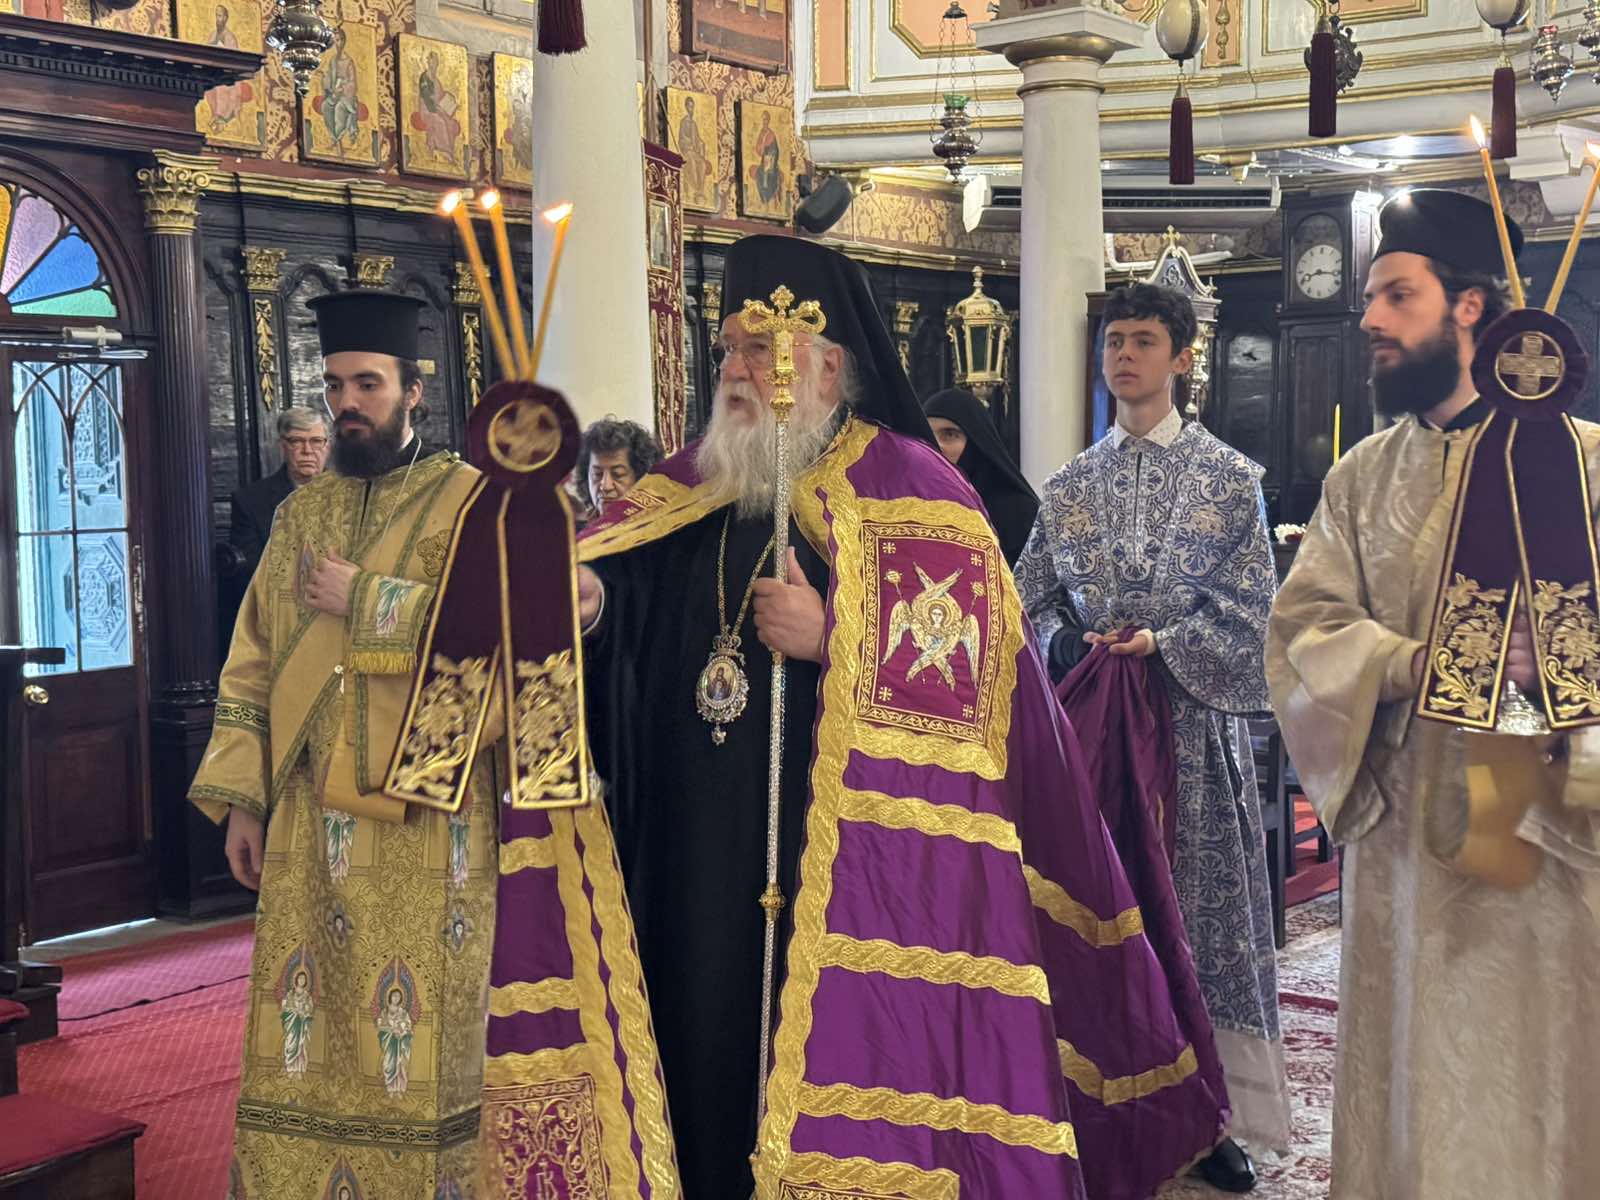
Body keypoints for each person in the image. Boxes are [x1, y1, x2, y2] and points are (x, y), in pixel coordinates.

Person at [575, 234, 1229, 1199]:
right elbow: (628, 607)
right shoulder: (690, 483)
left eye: (760, 349)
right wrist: (595, 604)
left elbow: (975, 680)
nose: (737, 371)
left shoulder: (914, 487)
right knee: (702, 1029)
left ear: (827, 366)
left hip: (841, 847)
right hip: (698, 838)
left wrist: (835, 636)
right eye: (728, 351)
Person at [1267, 189, 1600, 1199]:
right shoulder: (1362, 479)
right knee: (1419, 1076)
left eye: (1395, 296)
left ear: (1470, 308)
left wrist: (1569, 672)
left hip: (1551, 843)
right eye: (1370, 296)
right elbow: (1301, 631)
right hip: (1407, 851)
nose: (1368, 317)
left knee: (1538, 1076)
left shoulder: (1584, 466)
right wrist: (1414, 664)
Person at [190, 290, 494, 1199]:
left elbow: (506, 641)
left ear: (414, 392)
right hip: (305, 820)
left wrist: (368, 600)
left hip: (424, 821)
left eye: (368, 384)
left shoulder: (470, 503)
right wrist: (243, 801)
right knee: (307, 1021)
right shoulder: (300, 516)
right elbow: (251, 660)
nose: (348, 402)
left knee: (420, 1030)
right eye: (334, 385)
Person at [1015, 281, 1288, 1191]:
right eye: (1114, 341)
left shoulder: (1230, 481)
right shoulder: (1068, 488)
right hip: (1091, 735)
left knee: (1198, 922)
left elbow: (1256, 617)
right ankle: (1095, 1106)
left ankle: (1211, 1119)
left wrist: (1163, 644)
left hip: (1191, 737)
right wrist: (1069, 645)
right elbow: (1022, 605)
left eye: (1142, 340)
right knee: (1100, 910)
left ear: (1182, 357)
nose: (1123, 355)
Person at [923, 386, 1039, 565]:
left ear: (975, 442)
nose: (936, 445)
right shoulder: (909, 502)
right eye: (926, 435)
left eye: (949, 434)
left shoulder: (1017, 510)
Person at [229, 407, 329, 580]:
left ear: (328, 447)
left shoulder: (354, 493)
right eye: (296, 441)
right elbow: (255, 571)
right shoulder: (249, 501)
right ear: (283, 447)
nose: (307, 450)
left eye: (316, 441)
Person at [575, 415, 662, 520]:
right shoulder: (571, 528)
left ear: (640, 478)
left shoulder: (660, 525)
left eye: (617, 474)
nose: (605, 486)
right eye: (597, 474)